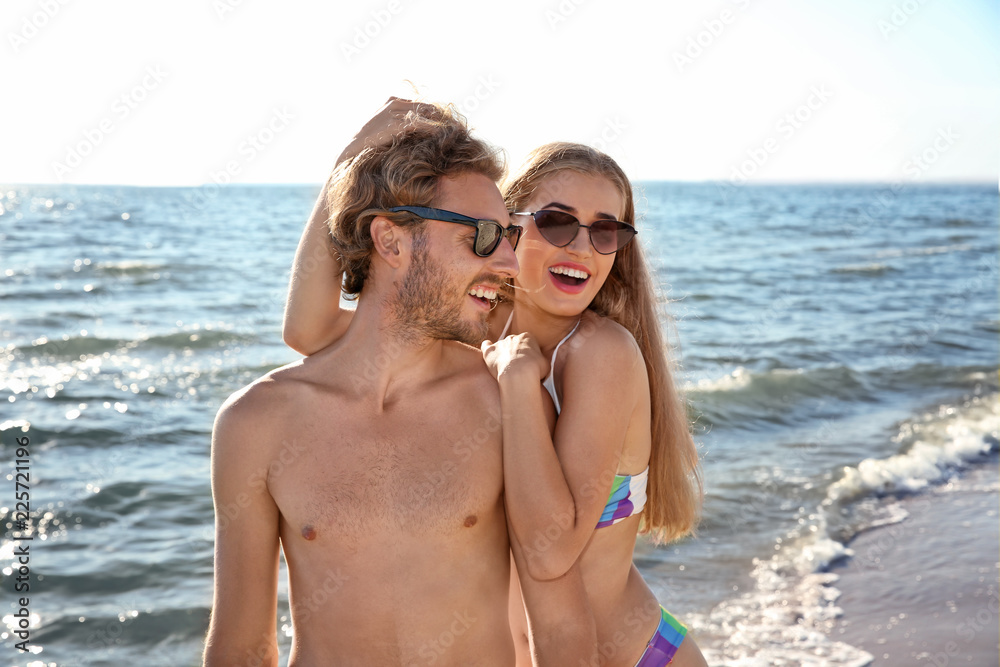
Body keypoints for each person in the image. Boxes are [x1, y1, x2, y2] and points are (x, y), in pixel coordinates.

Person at [283, 101, 707, 667]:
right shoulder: (475, 333)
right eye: (557, 222)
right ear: (506, 226)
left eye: (606, 231)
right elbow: (309, 330)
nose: (581, 247)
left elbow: (551, 549)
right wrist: (350, 157)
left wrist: (515, 384)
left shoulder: (601, 354)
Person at [204, 101, 595, 666]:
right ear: (390, 242)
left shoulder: (507, 398)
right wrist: (348, 159)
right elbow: (241, 646)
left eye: (509, 234)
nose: (510, 262)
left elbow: (558, 628)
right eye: (484, 236)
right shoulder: (255, 423)